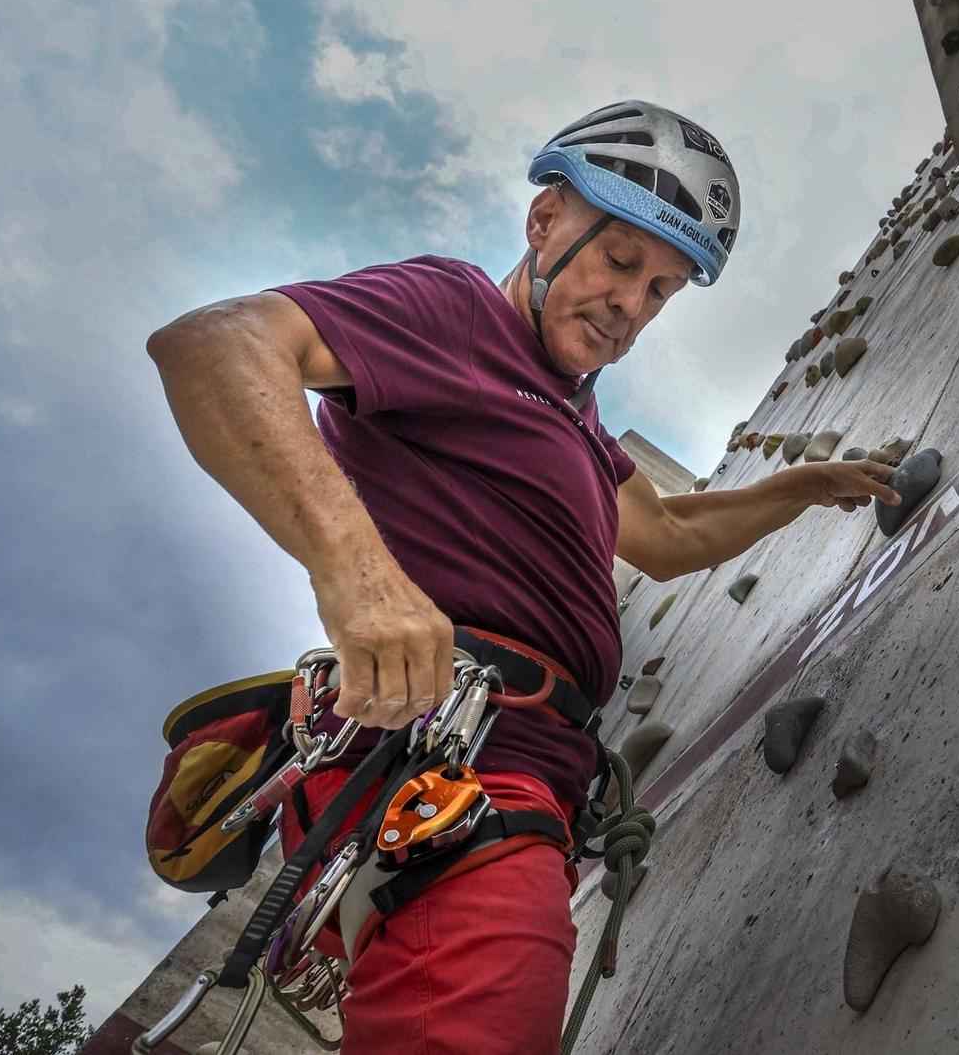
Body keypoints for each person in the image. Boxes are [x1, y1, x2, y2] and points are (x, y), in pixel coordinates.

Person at [146, 99, 898, 1053]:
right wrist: (356, 574)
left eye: (662, 288)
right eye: (620, 261)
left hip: (523, 781)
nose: (633, 305)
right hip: (452, 765)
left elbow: (666, 534)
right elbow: (216, 345)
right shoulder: (455, 313)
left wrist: (799, 485)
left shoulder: (577, 423)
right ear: (545, 222)